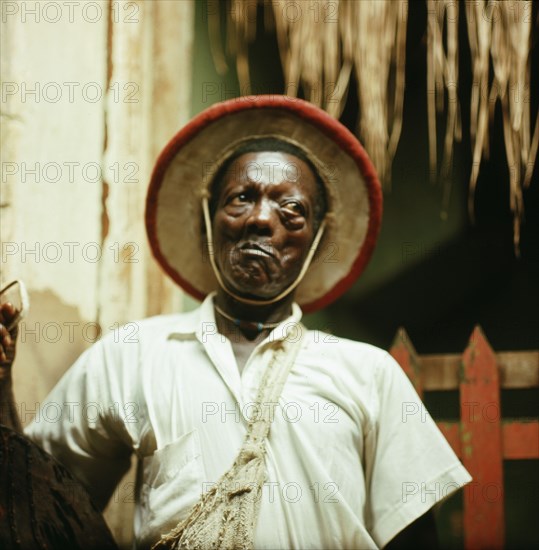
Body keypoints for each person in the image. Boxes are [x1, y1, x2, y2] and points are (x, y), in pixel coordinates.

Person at [0, 96, 471, 549]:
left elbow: (413, 536)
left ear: (317, 238)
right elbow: (41, 500)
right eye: (241, 198)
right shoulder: (133, 355)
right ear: (210, 219)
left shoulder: (369, 374)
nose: (262, 220)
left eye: (292, 211)